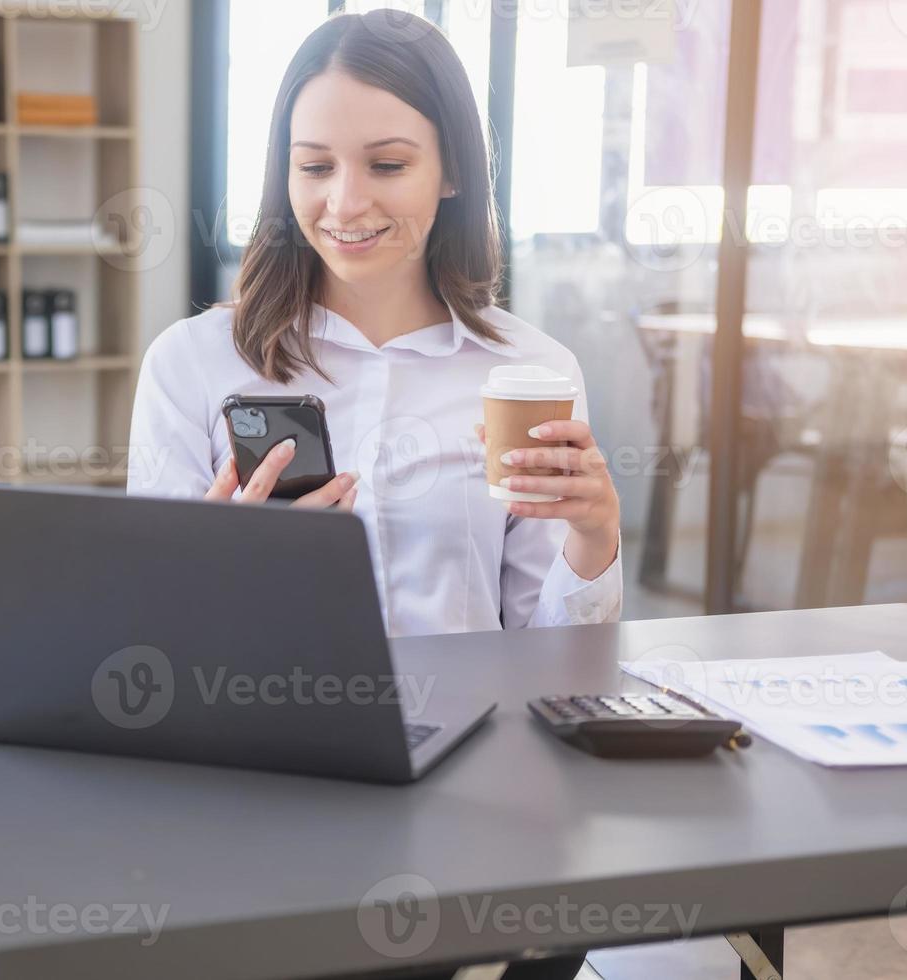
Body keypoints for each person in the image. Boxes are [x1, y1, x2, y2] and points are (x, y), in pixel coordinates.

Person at [129, 12, 622, 975]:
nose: (345, 202)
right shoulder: (193, 364)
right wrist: (224, 570)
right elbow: (144, 649)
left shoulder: (529, 369)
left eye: (387, 164)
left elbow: (559, 663)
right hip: (259, 779)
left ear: (452, 174)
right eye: (314, 167)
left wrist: (593, 544)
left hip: (469, 792)